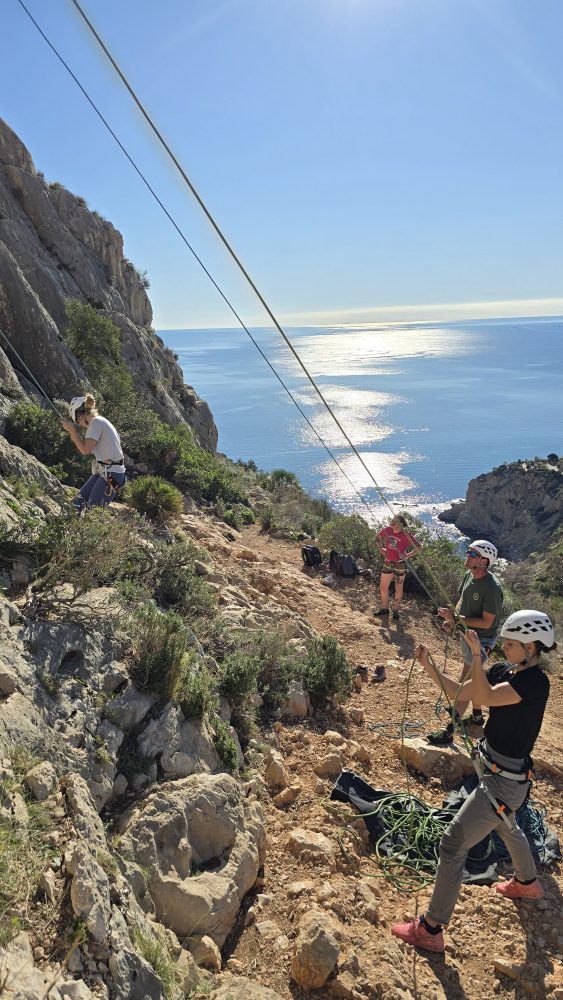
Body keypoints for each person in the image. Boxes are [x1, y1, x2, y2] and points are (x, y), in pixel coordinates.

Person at [391, 610, 555, 954]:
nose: (505, 648)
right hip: (501, 776)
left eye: (511, 644)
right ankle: (528, 883)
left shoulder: (536, 683)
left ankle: (431, 929)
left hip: (503, 782)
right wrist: (430, 667)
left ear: (532, 647)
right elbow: (461, 692)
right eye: (506, 643)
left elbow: (487, 698)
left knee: (453, 844)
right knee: (508, 825)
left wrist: (477, 656)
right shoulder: (505, 671)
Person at [428, 539, 503, 744]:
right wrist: (453, 621)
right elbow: (461, 603)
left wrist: (457, 620)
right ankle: (477, 716)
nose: (467, 556)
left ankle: (449, 730)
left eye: (471, 554)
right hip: (467, 633)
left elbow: (488, 623)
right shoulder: (468, 576)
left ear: (483, 561)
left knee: (465, 682)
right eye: (468, 552)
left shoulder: (492, 588)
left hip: (482, 640)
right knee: (474, 680)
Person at [61, 394, 126, 514]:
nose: (79, 424)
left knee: (92, 511)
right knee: (77, 503)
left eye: (77, 421)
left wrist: (73, 431)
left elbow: (85, 450)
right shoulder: (100, 422)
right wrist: (76, 433)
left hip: (111, 474)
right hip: (108, 472)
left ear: (80, 415)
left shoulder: (96, 423)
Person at [374, 515, 419, 620]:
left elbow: (419, 547)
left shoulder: (406, 535)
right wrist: (381, 549)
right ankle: (385, 609)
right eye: (391, 522)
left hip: (399, 564)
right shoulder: (388, 530)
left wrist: (407, 555)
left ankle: (395, 610)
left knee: (398, 588)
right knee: (383, 587)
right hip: (388, 562)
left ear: (401, 524)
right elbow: (377, 537)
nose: (391, 524)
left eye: (394, 522)